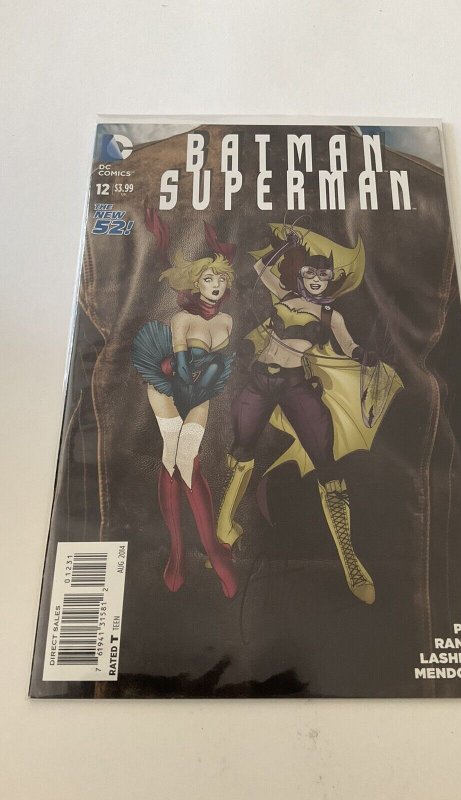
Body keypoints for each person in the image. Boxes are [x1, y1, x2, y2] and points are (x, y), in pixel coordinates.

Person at [216, 224, 403, 604]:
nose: (317, 279)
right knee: (241, 453)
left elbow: (348, 345)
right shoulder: (282, 294)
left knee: (326, 464)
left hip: (294, 385)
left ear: (330, 279)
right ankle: (224, 532)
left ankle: (350, 560)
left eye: (323, 275)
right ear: (300, 274)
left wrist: (362, 355)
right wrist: (283, 247)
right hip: (258, 382)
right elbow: (259, 271)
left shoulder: (330, 314)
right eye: (310, 273)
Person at [132, 212, 238, 598]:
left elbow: (217, 366)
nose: (215, 284)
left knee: (188, 460)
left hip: (200, 391)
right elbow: (179, 366)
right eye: (208, 279)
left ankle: (211, 551)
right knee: (176, 458)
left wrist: (207, 382)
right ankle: (180, 551)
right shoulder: (181, 318)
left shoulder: (226, 322)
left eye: (220, 278)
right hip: (168, 387)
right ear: (195, 285)